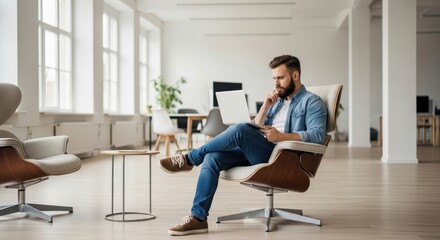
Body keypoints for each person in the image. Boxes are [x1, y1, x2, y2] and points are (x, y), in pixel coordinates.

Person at [158, 55, 328, 236]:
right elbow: (257, 126)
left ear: (295, 76)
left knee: (239, 128)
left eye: (280, 78)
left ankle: (189, 158)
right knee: (212, 157)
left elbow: (317, 135)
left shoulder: (312, 102)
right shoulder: (277, 101)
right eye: (274, 78)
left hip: (283, 158)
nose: (276, 83)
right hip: (260, 150)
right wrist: (265, 107)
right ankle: (198, 218)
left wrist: (281, 136)